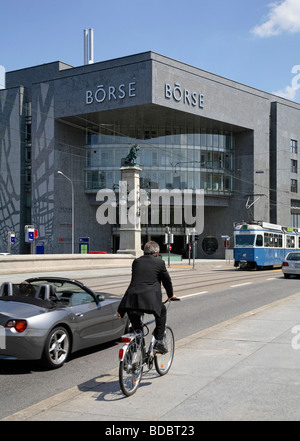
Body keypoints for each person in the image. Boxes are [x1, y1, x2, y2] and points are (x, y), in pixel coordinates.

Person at [118, 241, 177, 354]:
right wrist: (170, 295)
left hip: (131, 300)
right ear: (156, 253)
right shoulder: (159, 263)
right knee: (162, 310)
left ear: (144, 252)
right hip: (149, 301)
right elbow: (167, 281)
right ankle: (159, 342)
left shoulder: (136, 262)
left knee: (136, 325)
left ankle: (138, 340)